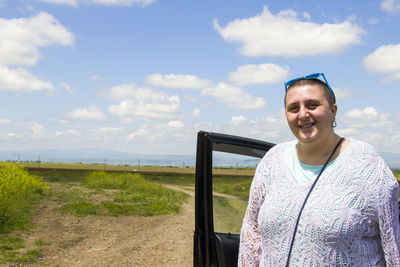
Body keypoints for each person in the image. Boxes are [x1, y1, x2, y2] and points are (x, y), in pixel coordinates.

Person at [238, 73, 400, 266]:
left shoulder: (366, 163)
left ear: (333, 111)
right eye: (293, 108)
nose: (303, 114)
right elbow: (251, 233)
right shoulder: (271, 161)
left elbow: (394, 244)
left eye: (312, 105)